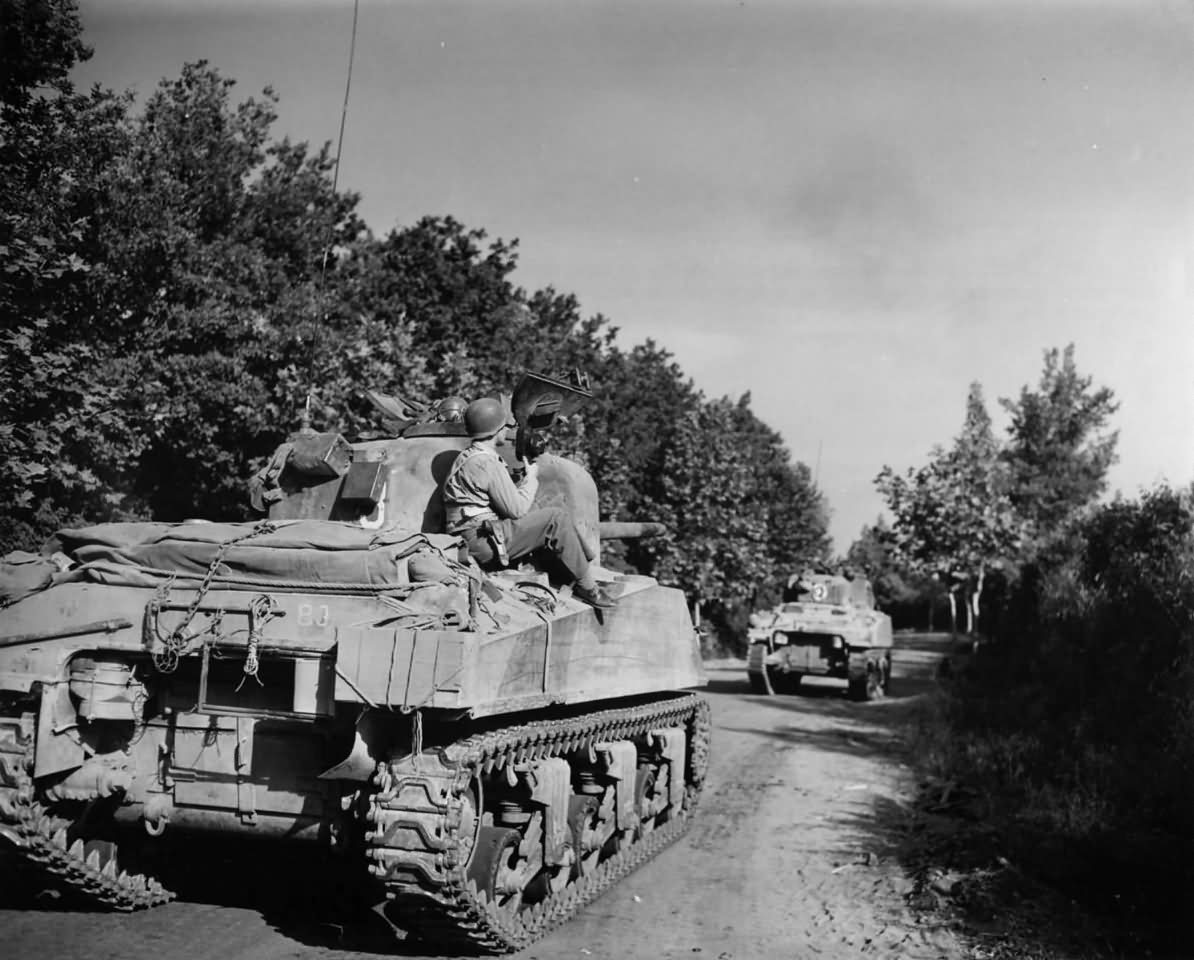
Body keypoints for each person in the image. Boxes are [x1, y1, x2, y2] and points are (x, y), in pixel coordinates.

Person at [442, 396, 616, 609]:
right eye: (504, 427)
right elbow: (516, 510)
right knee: (555, 518)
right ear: (497, 431)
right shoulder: (486, 462)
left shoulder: (466, 457)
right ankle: (589, 588)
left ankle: (579, 567)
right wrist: (531, 477)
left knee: (549, 507)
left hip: (470, 538)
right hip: (483, 543)